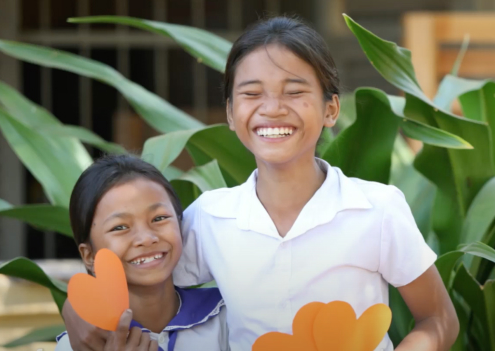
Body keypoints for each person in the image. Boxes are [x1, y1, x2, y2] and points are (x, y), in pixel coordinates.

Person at [63, 16, 459, 351]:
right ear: (232, 114)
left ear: (331, 109)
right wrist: (75, 314)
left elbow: (439, 318)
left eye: (295, 91)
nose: (272, 108)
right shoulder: (210, 217)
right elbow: (142, 275)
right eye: (252, 94)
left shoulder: (378, 208)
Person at [56, 155, 229, 351]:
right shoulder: (83, 344)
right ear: (89, 256)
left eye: (159, 218)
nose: (146, 238)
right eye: (120, 227)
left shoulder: (228, 317)